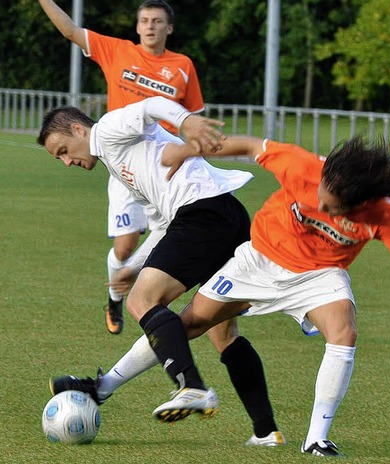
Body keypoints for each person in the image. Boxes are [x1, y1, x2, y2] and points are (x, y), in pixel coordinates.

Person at [153, 134, 390, 457]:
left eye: (331, 207)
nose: (319, 204)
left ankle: (317, 438)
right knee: (188, 324)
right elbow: (248, 144)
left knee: (344, 331)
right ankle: (105, 386)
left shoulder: (383, 215)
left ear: (361, 203)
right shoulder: (300, 165)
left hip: (320, 274)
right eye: (322, 195)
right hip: (261, 258)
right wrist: (187, 150)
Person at [37, 96, 285, 446]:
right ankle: (266, 432)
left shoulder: (106, 131)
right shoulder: (118, 166)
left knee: (143, 301)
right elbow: (161, 226)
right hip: (225, 214)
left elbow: (150, 105)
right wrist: (133, 266)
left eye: (63, 150)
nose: (65, 161)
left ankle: (191, 387)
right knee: (219, 332)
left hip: (202, 213)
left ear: (78, 129)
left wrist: (186, 122)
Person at [38, 0, 204, 335]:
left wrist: (192, 148)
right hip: (122, 162)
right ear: (137, 26)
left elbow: (195, 117)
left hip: (163, 166)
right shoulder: (117, 51)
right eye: (144, 20)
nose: (150, 26)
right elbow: (70, 30)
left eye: (157, 21)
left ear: (169, 28)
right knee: (125, 246)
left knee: (178, 229)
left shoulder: (183, 65)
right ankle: (116, 295)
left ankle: (164, 296)